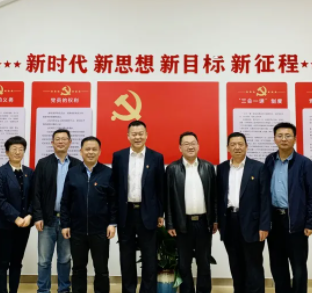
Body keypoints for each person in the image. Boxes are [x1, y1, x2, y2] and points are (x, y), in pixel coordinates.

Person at [111, 121, 165, 293]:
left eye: (141, 133)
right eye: (134, 134)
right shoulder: (119, 156)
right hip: (126, 213)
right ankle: (129, 290)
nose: (137, 137)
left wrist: (160, 213)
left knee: (149, 257)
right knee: (126, 256)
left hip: (148, 213)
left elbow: (161, 188)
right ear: (128, 136)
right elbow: (115, 187)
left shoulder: (156, 157)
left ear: (146, 135)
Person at [264, 122, 312, 293]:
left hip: (295, 220)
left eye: (288, 136)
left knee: (298, 265)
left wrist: (310, 223)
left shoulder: (304, 163)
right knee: (277, 263)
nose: (284, 139)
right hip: (274, 220)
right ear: (274, 139)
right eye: (280, 136)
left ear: (295, 139)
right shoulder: (269, 160)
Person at [61, 136, 117, 293]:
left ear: (99, 152)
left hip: (100, 230)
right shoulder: (72, 173)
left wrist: (112, 223)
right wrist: (65, 224)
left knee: (101, 268)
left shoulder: (108, 173)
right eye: (87, 149)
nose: (90, 152)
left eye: (94, 149)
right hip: (77, 230)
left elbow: (113, 201)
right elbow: (65, 201)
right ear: (81, 151)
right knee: (78, 268)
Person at [217, 132, 270, 293]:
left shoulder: (258, 167)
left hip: (252, 224)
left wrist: (264, 225)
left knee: (253, 265)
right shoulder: (222, 168)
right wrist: (218, 221)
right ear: (228, 148)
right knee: (235, 264)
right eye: (233, 144)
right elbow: (218, 197)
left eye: (240, 144)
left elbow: (265, 198)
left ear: (246, 146)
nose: (237, 147)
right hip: (229, 222)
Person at [165, 131, 217, 293]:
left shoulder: (208, 167)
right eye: (186, 144)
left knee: (204, 262)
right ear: (180, 147)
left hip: (203, 222)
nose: (190, 146)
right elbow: (168, 199)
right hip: (182, 223)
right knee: (183, 263)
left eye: (193, 143)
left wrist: (215, 219)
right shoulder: (172, 169)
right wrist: (170, 223)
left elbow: (214, 197)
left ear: (198, 146)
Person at [33, 129, 82, 293]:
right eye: (57, 139)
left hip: (68, 221)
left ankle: (64, 289)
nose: (61, 142)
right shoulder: (43, 163)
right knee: (43, 260)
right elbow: (36, 192)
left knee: (65, 258)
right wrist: (38, 216)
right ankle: (43, 290)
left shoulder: (77, 165)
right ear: (52, 142)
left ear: (70, 142)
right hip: (47, 219)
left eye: (64, 139)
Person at [0, 136, 34, 293]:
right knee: (3, 262)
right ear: (6, 152)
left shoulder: (29, 172)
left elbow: (34, 197)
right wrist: (15, 217)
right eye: (14, 149)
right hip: (4, 225)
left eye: (21, 149)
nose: (17, 152)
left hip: (24, 225)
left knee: (17, 262)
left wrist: (29, 215)